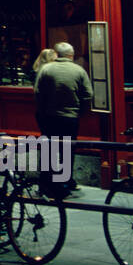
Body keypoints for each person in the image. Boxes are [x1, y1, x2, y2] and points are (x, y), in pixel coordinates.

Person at [33, 41, 93, 195]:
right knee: (67, 151)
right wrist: (80, 112)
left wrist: (42, 112)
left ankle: (45, 184)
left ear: (57, 54)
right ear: (71, 55)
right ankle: (64, 184)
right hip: (70, 118)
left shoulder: (46, 69)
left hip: (49, 117)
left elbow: (38, 92)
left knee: (48, 150)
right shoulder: (79, 71)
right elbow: (88, 95)